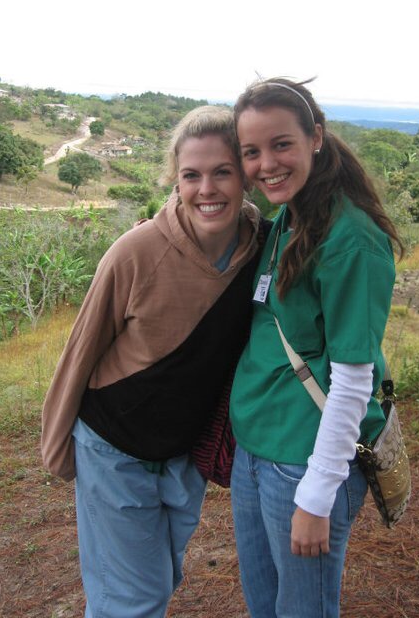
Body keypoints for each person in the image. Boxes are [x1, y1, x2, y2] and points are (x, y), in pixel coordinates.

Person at [41, 105, 265, 618]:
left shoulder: (264, 251)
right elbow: (82, 349)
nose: (207, 189)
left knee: (159, 580)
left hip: (183, 456)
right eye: (192, 175)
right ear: (176, 180)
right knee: (134, 598)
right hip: (113, 449)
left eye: (222, 172)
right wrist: (56, 446)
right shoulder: (137, 252)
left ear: (245, 178)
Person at [229, 78, 403, 618]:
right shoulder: (288, 218)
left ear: (317, 138)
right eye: (251, 152)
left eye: (282, 144)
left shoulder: (351, 239)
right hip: (254, 453)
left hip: (302, 465)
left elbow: (354, 378)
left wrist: (317, 493)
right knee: (264, 606)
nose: (266, 164)